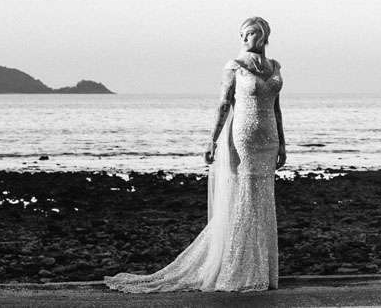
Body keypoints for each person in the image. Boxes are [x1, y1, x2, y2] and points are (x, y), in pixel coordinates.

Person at [106, 17, 286, 292]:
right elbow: (223, 104)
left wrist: (283, 144)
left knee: (263, 199)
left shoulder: (275, 67)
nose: (245, 39)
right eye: (243, 34)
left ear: (262, 36)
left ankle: (262, 270)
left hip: (269, 138)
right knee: (245, 197)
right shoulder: (234, 66)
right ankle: (237, 269)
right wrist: (212, 140)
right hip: (244, 137)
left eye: (250, 34)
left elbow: (276, 108)